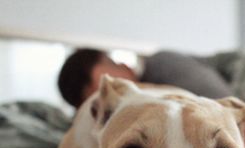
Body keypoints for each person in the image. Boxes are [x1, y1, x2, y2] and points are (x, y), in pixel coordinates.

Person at [58, 48, 232, 108]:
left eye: (116, 84)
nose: (117, 98)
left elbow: (226, 105)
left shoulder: (161, 64)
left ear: (124, 66)